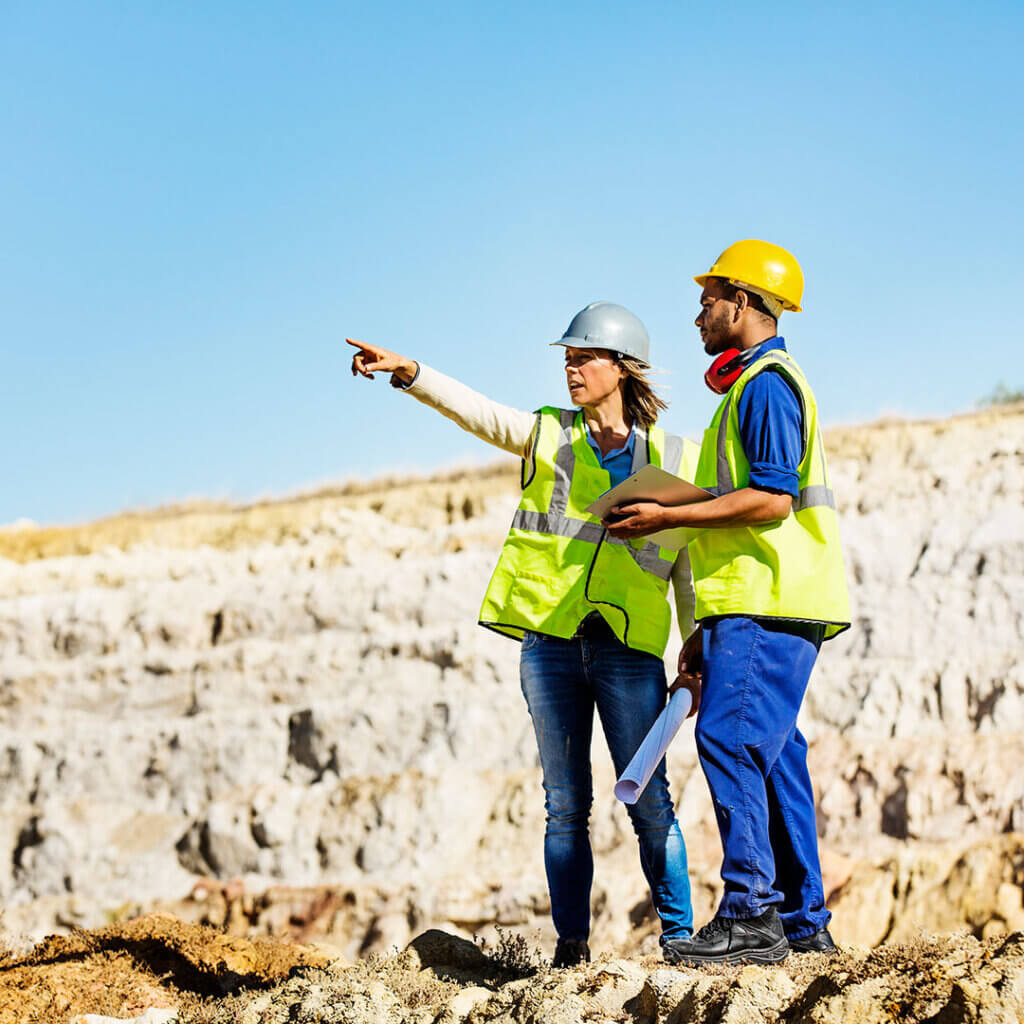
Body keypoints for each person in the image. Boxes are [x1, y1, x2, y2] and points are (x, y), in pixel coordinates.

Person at [348, 302, 700, 966]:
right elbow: (476, 412)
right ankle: (572, 948)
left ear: (621, 369)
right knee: (565, 806)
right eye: (565, 359)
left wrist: (696, 638)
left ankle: (679, 940)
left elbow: (686, 559)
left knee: (650, 801)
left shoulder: (677, 455)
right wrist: (411, 372)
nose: (570, 370)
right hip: (551, 642)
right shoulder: (548, 435)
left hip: (631, 650)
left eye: (583, 359)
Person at [605, 241, 851, 965]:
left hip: (767, 602)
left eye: (709, 300)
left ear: (742, 303)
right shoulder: (752, 388)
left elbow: (773, 498)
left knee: (729, 742)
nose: (698, 314)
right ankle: (803, 923)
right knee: (774, 758)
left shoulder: (768, 385)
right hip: (752, 604)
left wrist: (668, 516)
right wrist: (704, 626)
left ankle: (750, 913)